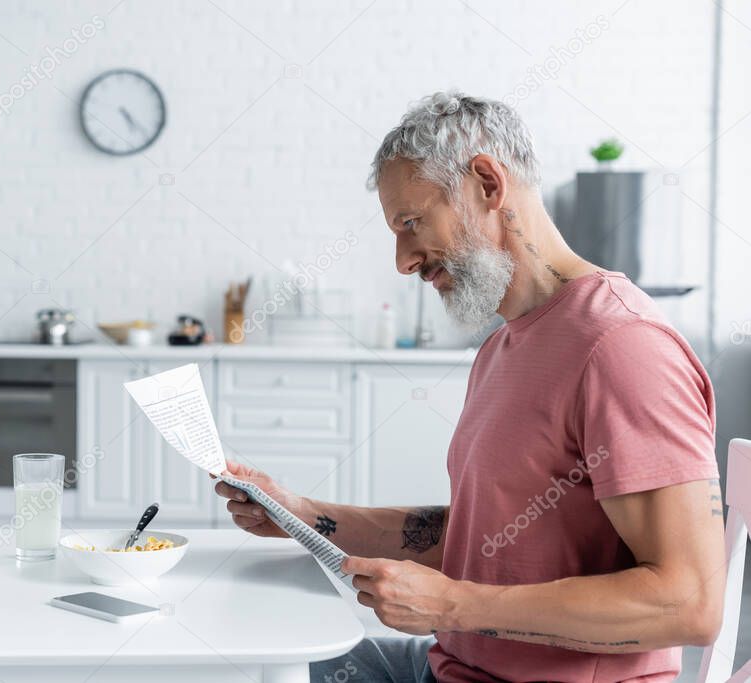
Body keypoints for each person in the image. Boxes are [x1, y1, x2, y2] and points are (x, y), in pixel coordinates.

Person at [213, 91, 724, 682]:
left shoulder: (622, 347)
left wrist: (453, 604)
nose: (404, 261)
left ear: (487, 183)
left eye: (411, 223)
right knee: (249, 660)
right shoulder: (505, 345)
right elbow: (481, 537)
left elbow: (690, 603)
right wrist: (303, 515)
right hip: (454, 665)